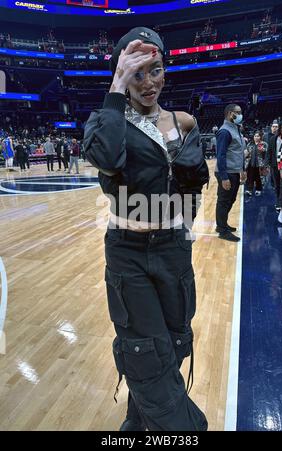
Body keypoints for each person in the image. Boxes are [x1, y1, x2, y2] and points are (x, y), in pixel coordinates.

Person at [84, 27, 209, 432]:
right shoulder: (107, 119)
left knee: (174, 341)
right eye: (137, 73)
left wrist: (181, 230)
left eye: (155, 70)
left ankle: (136, 424)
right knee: (143, 349)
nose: (149, 82)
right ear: (122, 76)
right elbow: (105, 155)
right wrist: (117, 84)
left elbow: (194, 185)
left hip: (173, 247)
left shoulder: (184, 121)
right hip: (128, 250)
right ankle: (187, 431)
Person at [215, 104, 247, 242]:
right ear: (229, 113)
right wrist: (224, 177)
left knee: (231, 199)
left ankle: (222, 224)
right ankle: (222, 230)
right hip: (226, 173)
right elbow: (220, 155)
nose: (240, 115)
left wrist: (242, 169)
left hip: (234, 171)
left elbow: (237, 153)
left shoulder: (235, 129)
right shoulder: (224, 131)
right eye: (237, 112)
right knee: (224, 201)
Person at [266, 120, 282, 211]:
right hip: (274, 165)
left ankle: (281, 203)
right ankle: (279, 201)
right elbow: (269, 152)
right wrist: (266, 164)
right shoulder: (273, 138)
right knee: (277, 185)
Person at [245, 131, 268, 196]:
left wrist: (264, 151)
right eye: (255, 136)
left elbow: (267, 154)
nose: (256, 137)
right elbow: (246, 153)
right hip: (250, 164)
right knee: (250, 177)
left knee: (259, 178)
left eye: (258, 136)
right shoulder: (250, 144)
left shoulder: (264, 144)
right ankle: (249, 190)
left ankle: (258, 189)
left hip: (260, 165)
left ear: (260, 137)